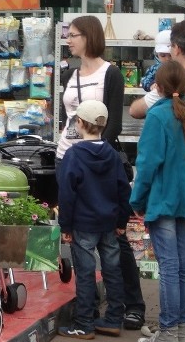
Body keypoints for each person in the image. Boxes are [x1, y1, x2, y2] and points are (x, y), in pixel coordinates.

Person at [130, 20, 185, 336]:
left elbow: (147, 159)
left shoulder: (160, 109)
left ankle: (169, 330)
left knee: (171, 267)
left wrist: (136, 200)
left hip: (166, 195)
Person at [57, 15, 145, 330]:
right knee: (81, 240)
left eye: (74, 34)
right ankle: (89, 312)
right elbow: (65, 116)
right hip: (66, 158)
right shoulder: (69, 72)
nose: (69, 39)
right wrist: (71, 153)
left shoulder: (111, 74)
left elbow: (114, 123)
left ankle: (131, 307)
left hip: (95, 162)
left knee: (114, 241)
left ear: (90, 37)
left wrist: (92, 157)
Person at [57, 100, 131, 339]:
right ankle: (113, 319)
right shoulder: (112, 153)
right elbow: (123, 189)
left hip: (83, 224)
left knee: (86, 273)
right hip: (109, 223)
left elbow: (67, 194)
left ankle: (83, 323)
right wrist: (122, 221)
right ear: (104, 124)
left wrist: (65, 226)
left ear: (79, 123)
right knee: (113, 271)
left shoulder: (73, 155)